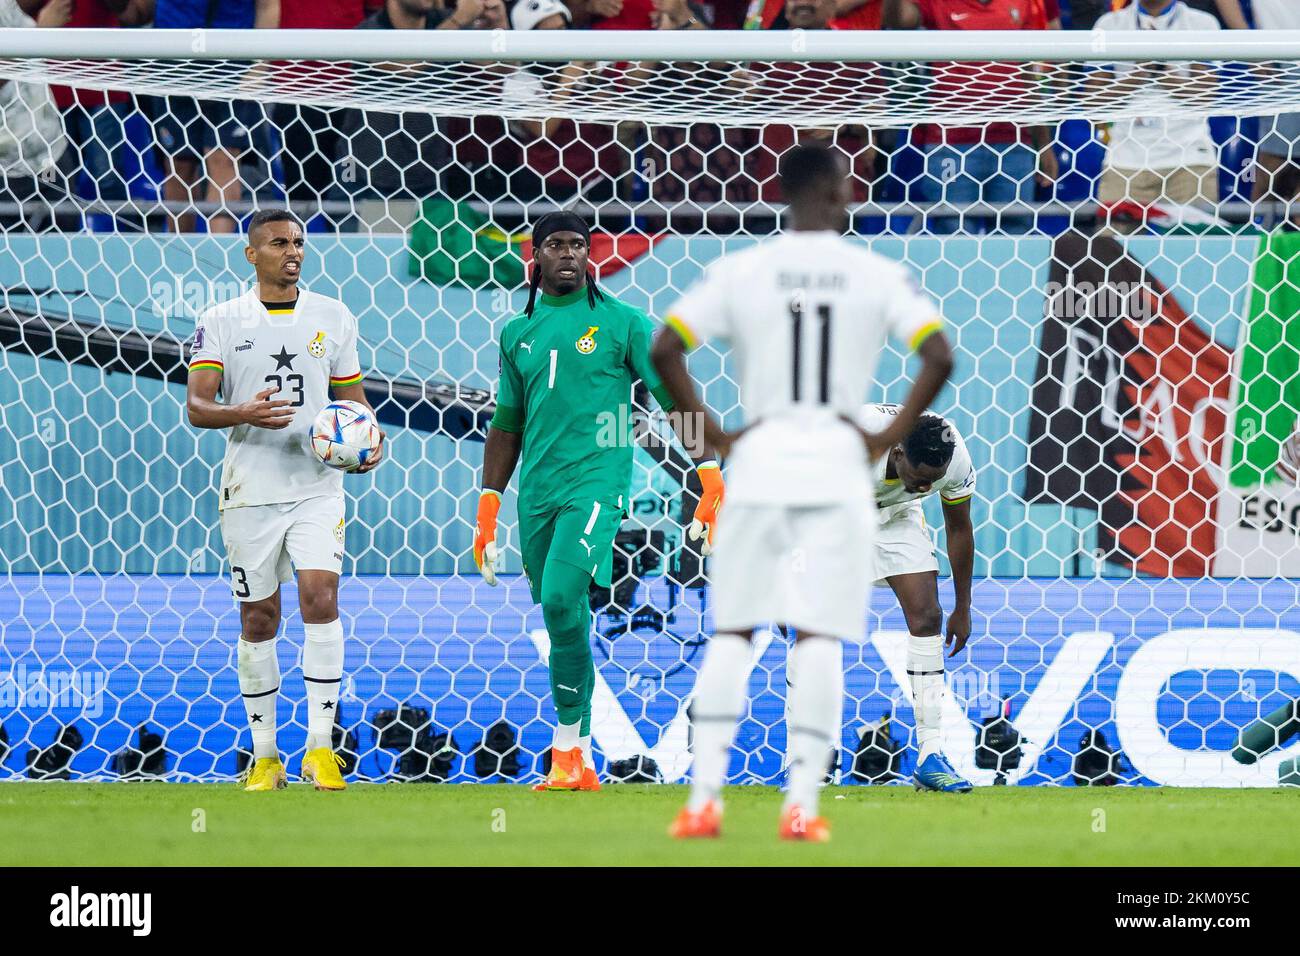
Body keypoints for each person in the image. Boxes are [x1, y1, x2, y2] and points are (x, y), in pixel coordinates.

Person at [651, 144, 954, 842]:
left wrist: (717, 437)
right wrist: (887, 438)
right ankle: (802, 807)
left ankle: (703, 802)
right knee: (818, 636)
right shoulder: (874, 273)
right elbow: (939, 355)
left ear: (781, 191)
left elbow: (666, 349)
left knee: (734, 632)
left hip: (759, 463)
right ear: (839, 192)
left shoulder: (741, 271)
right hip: (835, 470)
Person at [473, 211, 725, 793]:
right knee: (562, 614)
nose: (569, 254)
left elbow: (673, 399)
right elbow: (506, 425)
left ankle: (566, 753)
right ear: (535, 256)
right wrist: (489, 503)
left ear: (590, 255)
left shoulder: (626, 324)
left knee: (563, 597)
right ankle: (579, 761)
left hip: (596, 484)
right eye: (556, 245)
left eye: (578, 245)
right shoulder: (517, 333)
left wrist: (708, 471)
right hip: (537, 491)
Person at [186, 209, 386, 792]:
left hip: (317, 487)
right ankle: (266, 756)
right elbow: (197, 407)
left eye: (298, 242)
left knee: (320, 598)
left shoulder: (334, 316)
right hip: (250, 490)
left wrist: (369, 443)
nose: (291, 251)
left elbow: (355, 405)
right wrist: (240, 411)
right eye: (278, 243)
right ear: (252, 254)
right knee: (259, 617)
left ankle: (321, 750)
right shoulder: (221, 320)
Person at [857, 404, 975, 792]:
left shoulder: (952, 455)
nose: (926, 488)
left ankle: (930, 754)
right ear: (897, 453)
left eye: (933, 482)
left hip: (896, 515)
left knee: (927, 615)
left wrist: (963, 607)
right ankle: (800, 761)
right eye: (919, 479)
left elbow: (958, 528)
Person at [883, 0, 1059, 235]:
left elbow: (1028, 74)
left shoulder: (1023, 3)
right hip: (951, 144)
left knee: (1016, 236)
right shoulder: (937, 3)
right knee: (953, 232)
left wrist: (1044, 144)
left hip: (1014, 142)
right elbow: (898, 20)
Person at [1088, 0, 1221, 234]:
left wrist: (1160, 68)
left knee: (1193, 258)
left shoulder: (1202, 23)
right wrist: (1139, 72)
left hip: (1189, 161)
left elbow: (1203, 97)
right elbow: (1095, 101)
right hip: (1125, 162)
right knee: (1110, 259)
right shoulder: (1109, 25)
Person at [150, 0, 279, 233]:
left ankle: (217, 257)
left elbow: (268, 5)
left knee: (224, 159)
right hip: (172, 63)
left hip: (233, 64)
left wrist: (259, 67)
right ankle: (180, 255)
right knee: (179, 164)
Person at [0, 0, 71, 232]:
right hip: (7, 172)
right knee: (10, 254)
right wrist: (40, 35)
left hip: (48, 160)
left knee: (62, 245)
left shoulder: (11, 8)